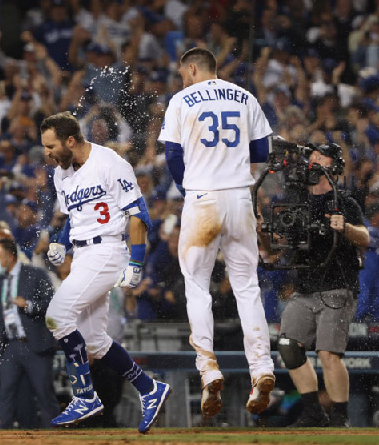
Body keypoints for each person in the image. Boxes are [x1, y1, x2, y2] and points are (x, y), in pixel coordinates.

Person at [157, 47, 276, 418]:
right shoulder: (244, 96)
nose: (182, 79)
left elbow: (173, 156)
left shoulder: (180, 100)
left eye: (183, 73)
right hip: (240, 197)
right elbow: (262, 150)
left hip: (202, 198)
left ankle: (209, 369)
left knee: (197, 287)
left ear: (192, 68)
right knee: (247, 288)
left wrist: (193, 186)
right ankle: (263, 369)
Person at [40, 112, 170, 433]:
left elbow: (138, 214)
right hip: (83, 252)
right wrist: (60, 242)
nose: (47, 153)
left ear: (71, 140)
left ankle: (85, 396)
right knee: (95, 342)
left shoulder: (109, 163)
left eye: (51, 145)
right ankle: (149, 388)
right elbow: (74, 214)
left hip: (108, 250)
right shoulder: (61, 173)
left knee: (57, 317)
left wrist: (137, 261)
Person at [267, 144, 369, 427]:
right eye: (310, 156)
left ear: (333, 166)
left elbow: (365, 237)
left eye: (319, 157)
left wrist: (344, 227)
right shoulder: (297, 202)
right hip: (304, 288)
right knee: (288, 345)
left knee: (328, 353)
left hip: (337, 286)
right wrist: (263, 231)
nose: (312, 160)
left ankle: (340, 417)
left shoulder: (343, 201)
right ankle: (313, 412)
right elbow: (275, 248)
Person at [0, 238, 61, 428]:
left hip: (35, 344)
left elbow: (51, 303)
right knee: (5, 394)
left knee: (44, 393)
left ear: (10, 257)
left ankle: (57, 436)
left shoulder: (36, 274)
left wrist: (29, 305)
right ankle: (0, 437)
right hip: (10, 345)